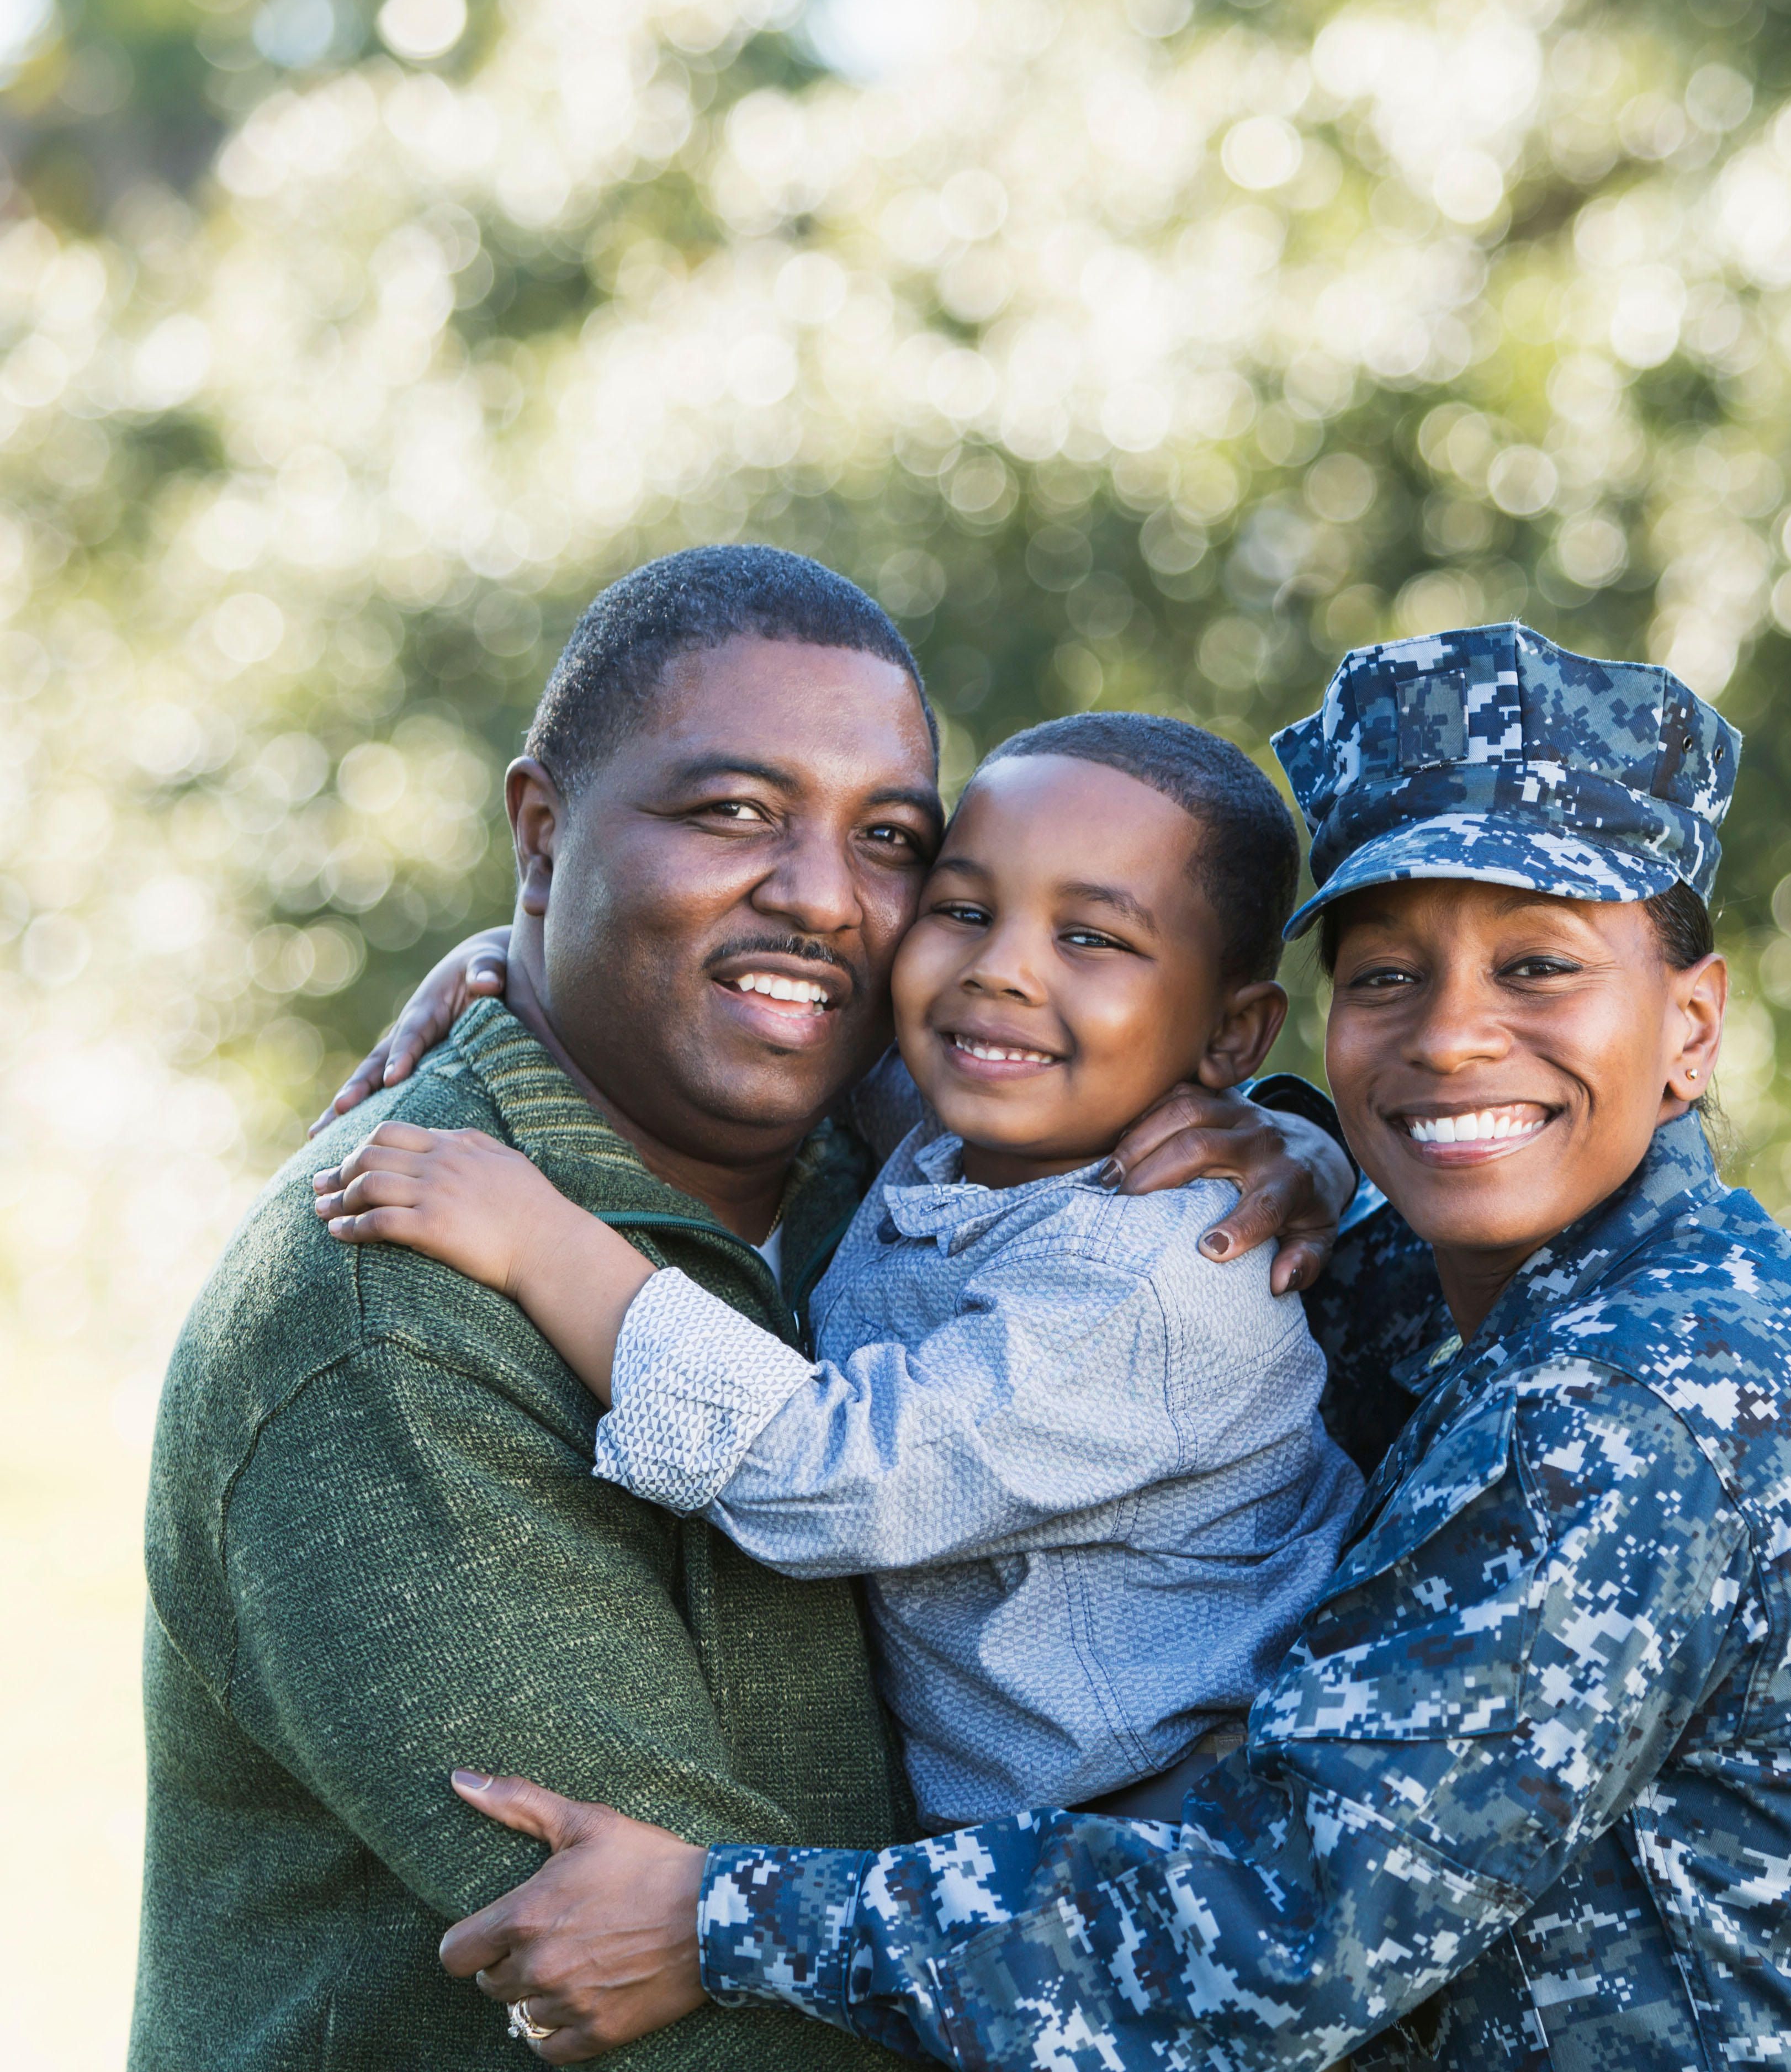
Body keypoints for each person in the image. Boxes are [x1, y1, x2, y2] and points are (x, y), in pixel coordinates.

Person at [432, 623, 1791, 2071]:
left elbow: (1284, 1936)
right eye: (1387, 975)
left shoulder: (1643, 1394)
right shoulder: (1421, 1266)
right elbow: (1020, 1168)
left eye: (1541, 966)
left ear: (1692, 1027)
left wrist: (722, 1919)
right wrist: (531, 961)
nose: (1452, 1034)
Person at [133, 545, 1354, 2072]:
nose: (823, 901)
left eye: (890, 840)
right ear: (539, 835)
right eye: (732, 814)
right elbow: (685, 2016)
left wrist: (1300, 1140)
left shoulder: (888, 1152)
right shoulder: (392, 1312)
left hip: (1180, 1879)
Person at [310, 712, 1364, 1832]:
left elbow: (833, 1473)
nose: (999, 971)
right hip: (1024, 1832)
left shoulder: (1160, 1278)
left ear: (1236, 1036)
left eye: (1093, 939)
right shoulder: (964, 1124)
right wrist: (516, 947)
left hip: (1165, 1836)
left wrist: (542, 1243)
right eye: (962, 910)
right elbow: (791, 1025)